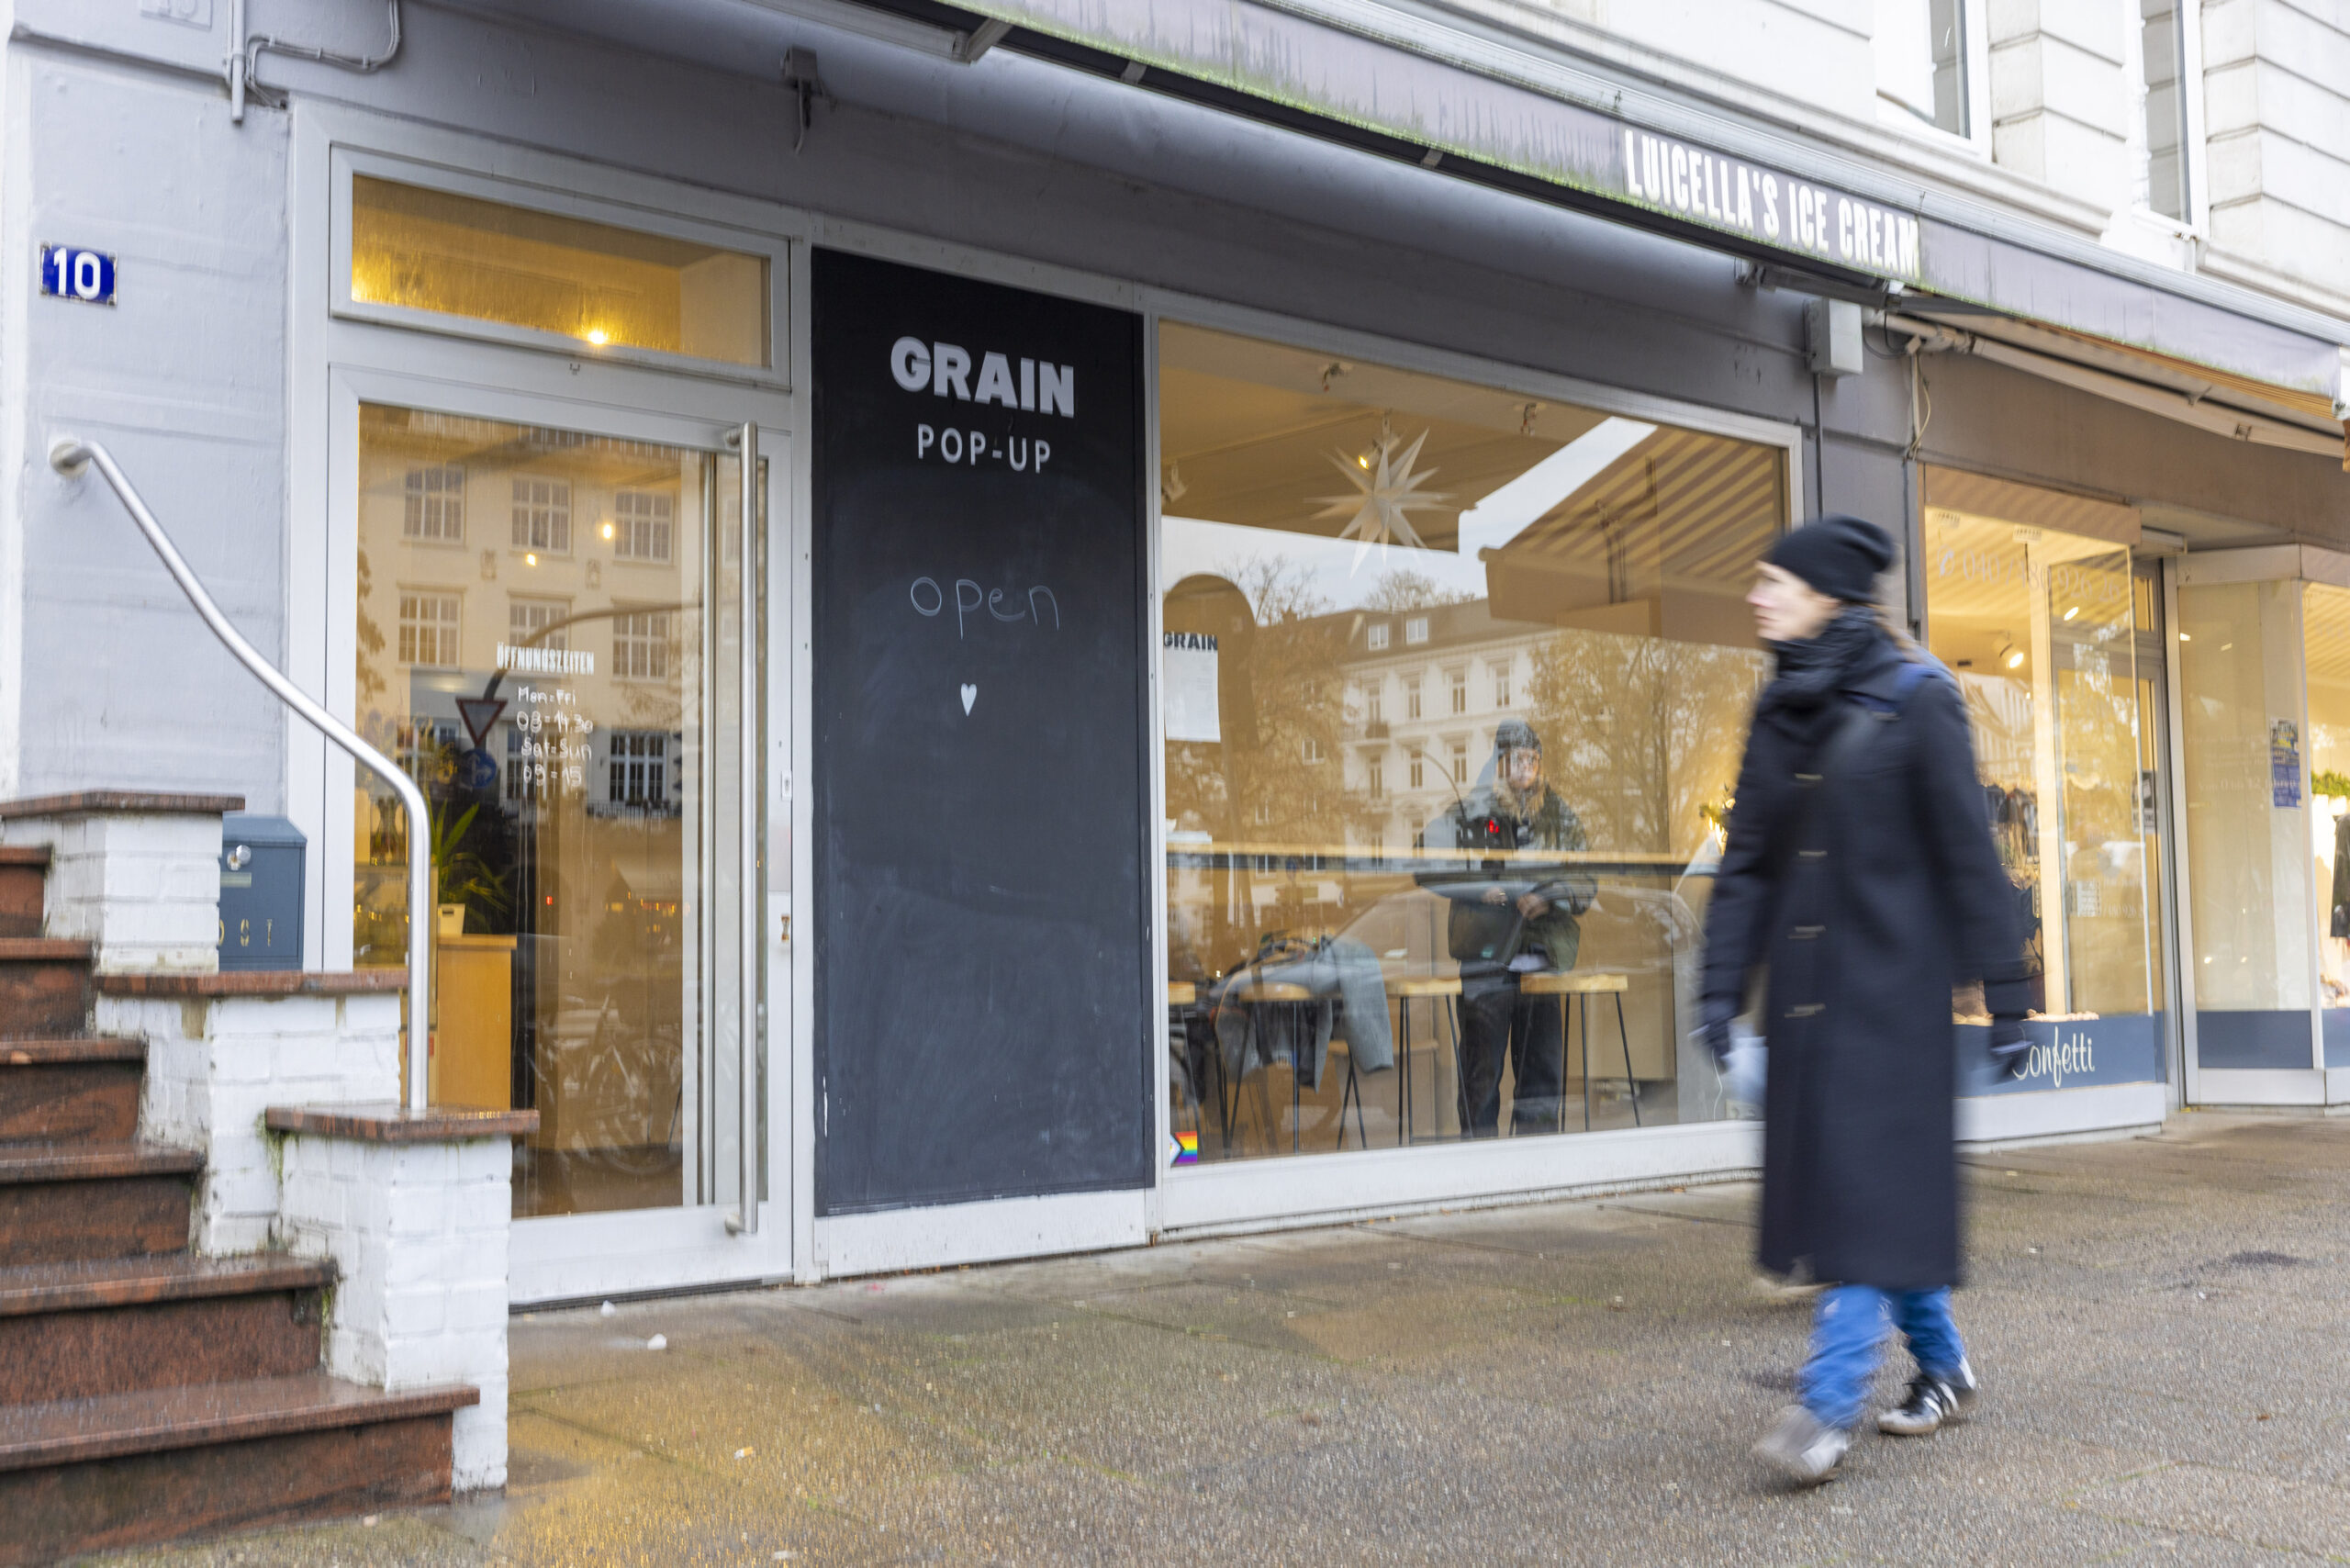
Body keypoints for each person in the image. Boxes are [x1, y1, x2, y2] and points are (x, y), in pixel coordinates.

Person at [1697, 514, 2031, 1486]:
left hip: (1893, 1002)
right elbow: (1749, 864)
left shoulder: (1917, 700)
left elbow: (1970, 854)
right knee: (1871, 1202)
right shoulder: (1778, 707)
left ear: (1827, 594)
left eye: (1774, 582)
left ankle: (1823, 1407)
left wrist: (2006, 995)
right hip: (1808, 1007)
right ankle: (1945, 1366)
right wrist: (1721, 990)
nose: (1757, 597)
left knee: (1863, 1206)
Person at [1420, 720, 1596, 1136]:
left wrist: (1550, 896)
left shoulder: (1557, 814)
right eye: (1518, 760)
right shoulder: (1472, 809)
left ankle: (1537, 1165)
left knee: (1542, 1075)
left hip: (1543, 963)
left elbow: (1586, 876)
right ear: (1500, 762)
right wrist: (1481, 889)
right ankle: (1481, 1168)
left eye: (1534, 760)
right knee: (1481, 1075)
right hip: (1488, 961)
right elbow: (1424, 859)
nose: (1527, 769)